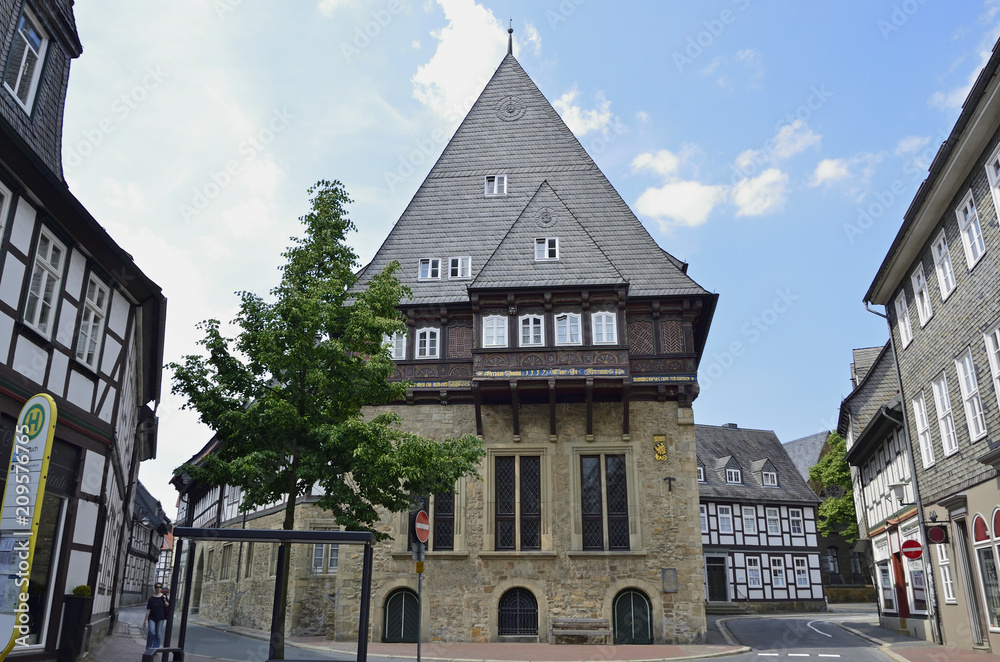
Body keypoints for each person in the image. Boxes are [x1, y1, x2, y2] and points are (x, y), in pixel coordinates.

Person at [143, 582, 169, 651]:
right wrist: (145, 620)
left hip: (161, 618)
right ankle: (148, 648)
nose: (159, 589)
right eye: (157, 587)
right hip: (152, 618)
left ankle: (155, 649)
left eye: (160, 587)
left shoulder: (163, 597)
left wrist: (165, 600)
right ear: (155, 588)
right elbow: (148, 610)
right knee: (152, 632)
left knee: (158, 634)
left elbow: (167, 605)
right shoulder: (151, 598)